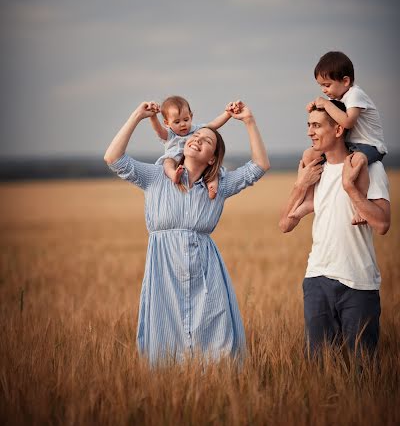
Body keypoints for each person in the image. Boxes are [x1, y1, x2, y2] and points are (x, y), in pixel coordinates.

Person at [104, 100, 270, 365]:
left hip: (206, 271)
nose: (197, 139)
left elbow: (259, 166)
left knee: (218, 345)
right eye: (196, 135)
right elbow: (113, 158)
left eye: (206, 140)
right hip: (164, 271)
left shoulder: (221, 185)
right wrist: (137, 116)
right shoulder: (157, 176)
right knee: (165, 349)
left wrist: (249, 121)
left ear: (212, 157)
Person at [279, 101, 390, 358]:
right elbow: (285, 224)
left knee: (363, 371)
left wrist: (351, 187)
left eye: (316, 126)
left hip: (358, 283)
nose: (310, 132)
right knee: (320, 368)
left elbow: (383, 224)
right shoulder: (314, 171)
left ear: (338, 130)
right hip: (317, 278)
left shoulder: (370, 168)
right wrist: (299, 185)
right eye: (308, 125)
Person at [289, 51, 388, 224]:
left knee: (358, 160)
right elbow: (332, 113)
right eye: (321, 86)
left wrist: (326, 104)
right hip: (353, 143)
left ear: (346, 81)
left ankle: (360, 207)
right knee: (309, 155)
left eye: (327, 85)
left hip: (370, 146)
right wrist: (316, 107)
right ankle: (309, 200)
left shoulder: (355, 95)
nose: (324, 90)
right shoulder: (341, 97)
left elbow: (348, 122)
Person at [146, 95, 235, 199]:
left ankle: (212, 187)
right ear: (167, 123)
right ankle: (173, 175)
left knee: (212, 170)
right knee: (167, 162)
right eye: (177, 122)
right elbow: (158, 130)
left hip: (193, 163)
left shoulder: (196, 130)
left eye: (186, 119)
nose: (183, 124)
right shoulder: (169, 134)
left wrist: (228, 114)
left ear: (191, 116)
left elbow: (214, 124)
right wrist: (152, 116)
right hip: (175, 161)